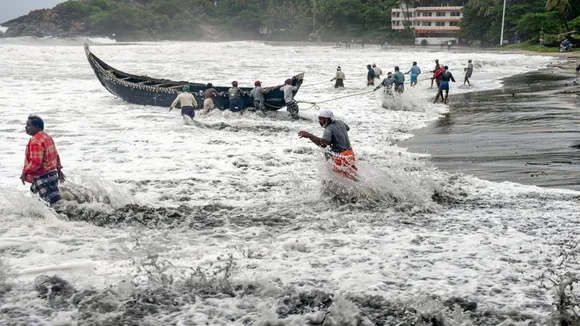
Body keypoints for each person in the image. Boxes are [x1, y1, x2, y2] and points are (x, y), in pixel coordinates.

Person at [297, 109, 357, 180]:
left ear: (328, 119)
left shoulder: (328, 129)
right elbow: (347, 128)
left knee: (337, 180)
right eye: (319, 119)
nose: (320, 122)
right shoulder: (340, 122)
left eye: (322, 119)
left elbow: (323, 144)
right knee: (352, 178)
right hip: (350, 154)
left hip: (341, 158)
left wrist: (309, 136)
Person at [21, 115, 65, 205]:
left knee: (51, 204)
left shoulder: (36, 141)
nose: (26, 127)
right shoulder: (47, 137)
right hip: (52, 174)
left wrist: (25, 172)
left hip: (43, 176)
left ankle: (62, 218)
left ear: (37, 127)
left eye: (29, 125)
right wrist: (59, 170)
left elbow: (36, 162)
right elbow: (56, 154)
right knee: (51, 201)